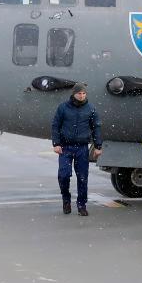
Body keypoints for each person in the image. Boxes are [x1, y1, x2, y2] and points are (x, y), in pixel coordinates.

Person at [51, 83, 102, 216]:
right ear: (74, 94)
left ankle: (81, 205)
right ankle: (66, 199)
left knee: (83, 177)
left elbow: (96, 127)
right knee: (63, 175)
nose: (82, 96)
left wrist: (98, 146)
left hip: (82, 148)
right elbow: (55, 125)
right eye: (79, 93)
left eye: (84, 93)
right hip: (65, 147)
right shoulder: (63, 107)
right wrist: (56, 144)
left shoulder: (90, 108)